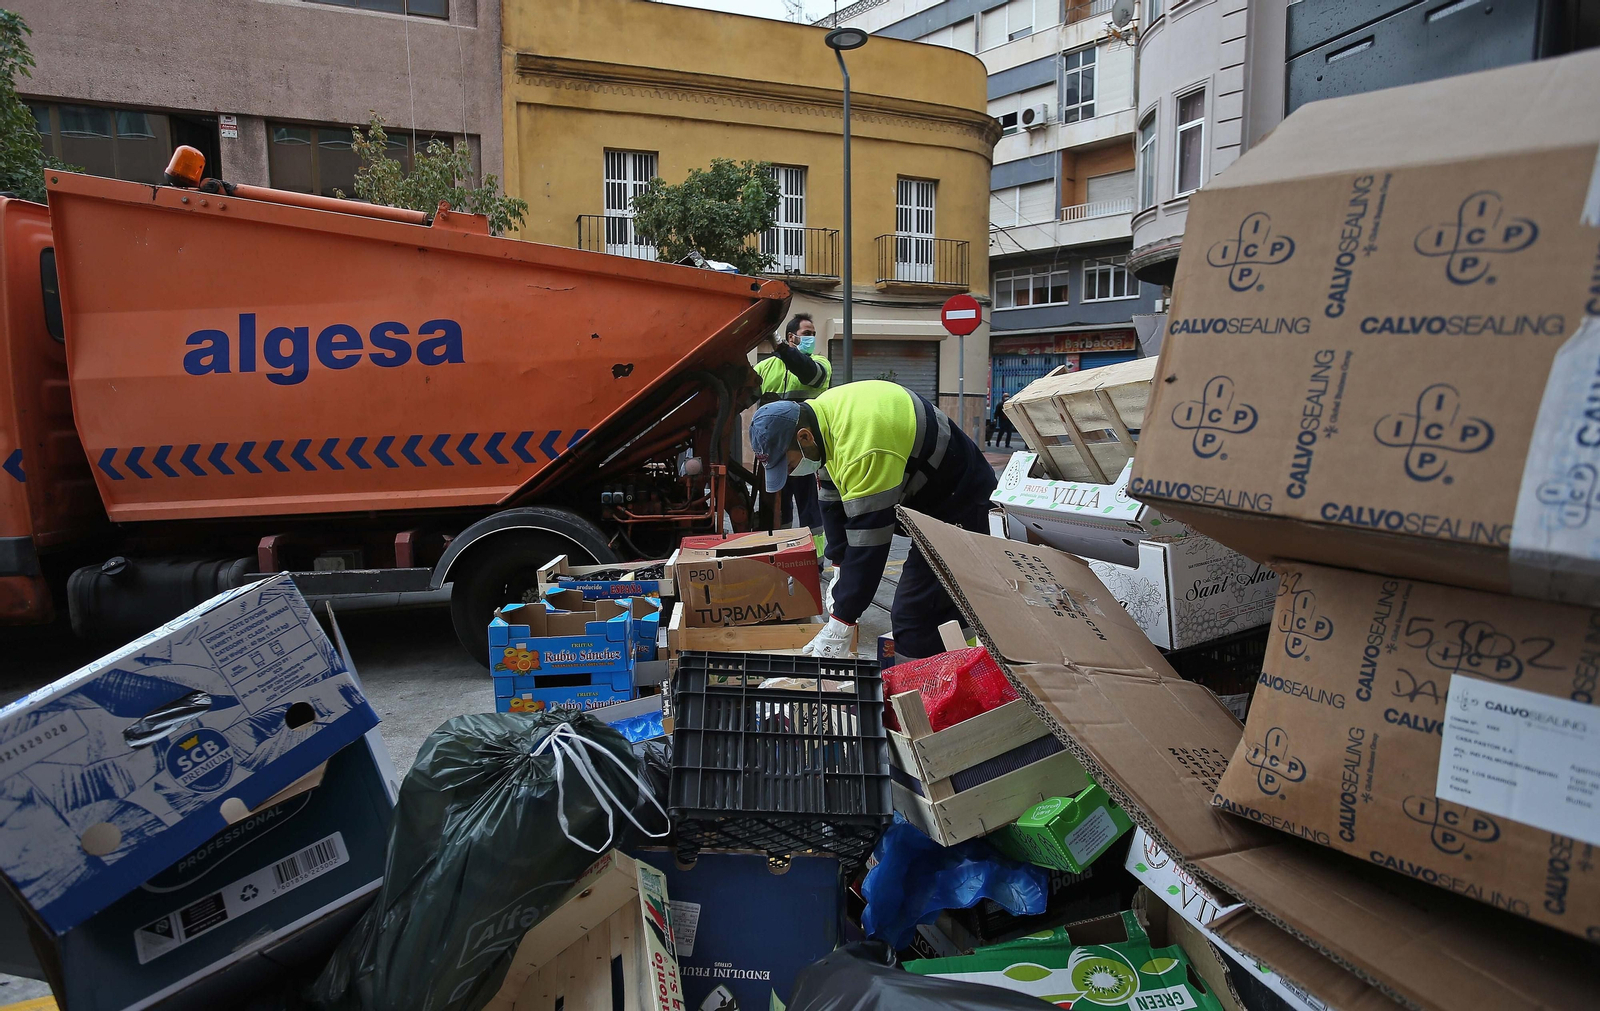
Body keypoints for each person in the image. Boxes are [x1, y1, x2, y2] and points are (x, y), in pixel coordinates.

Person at [748, 380, 998, 660]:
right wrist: (839, 566)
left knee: (916, 617)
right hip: (930, 494)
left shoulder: (863, 449)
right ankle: (963, 666)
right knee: (940, 608)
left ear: (805, 437)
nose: (793, 473)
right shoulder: (824, 419)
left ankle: (925, 694)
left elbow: (869, 542)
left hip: (958, 501)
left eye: (790, 464)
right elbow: (832, 502)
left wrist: (842, 621)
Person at [754, 313, 832, 541]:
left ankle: (814, 563)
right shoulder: (764, 368)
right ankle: (783, 555)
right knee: (777, 509)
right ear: (792, 337)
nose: (812, 339)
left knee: (811, 509)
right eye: (807, 334)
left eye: (813, 335)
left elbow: (810, 374)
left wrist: (779, 345)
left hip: (807, 450)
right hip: (777, 452)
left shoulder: (820, 363)